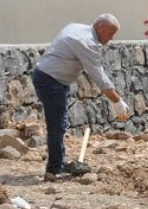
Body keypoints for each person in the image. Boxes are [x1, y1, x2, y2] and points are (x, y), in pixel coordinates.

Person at [32, 14, 130, 180]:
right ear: (99, 27)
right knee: (57, 124)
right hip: (50, 80)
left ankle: (58, 163)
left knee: (59, 122)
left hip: (49, 77)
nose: (111, 38)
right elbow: (98, 75)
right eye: (110, 33)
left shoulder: (77, 27)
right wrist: (117, 101)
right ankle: (55, 167)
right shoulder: (85, 42)